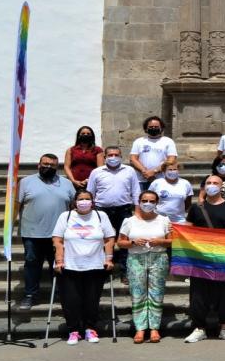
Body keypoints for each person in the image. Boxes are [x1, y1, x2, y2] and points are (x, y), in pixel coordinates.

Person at [183, 175, 225, 343]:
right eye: (208, 183)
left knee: (224, 294)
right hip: (200, 259)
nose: (212, 185)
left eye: (215, 183)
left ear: (221, 186)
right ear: (204, 188)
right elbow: (187, 230)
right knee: (197, 294)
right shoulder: (196, 208)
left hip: (223, 259)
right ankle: (199, 328)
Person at [52, 190, 115, 345]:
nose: (84, 202)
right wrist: (59, 260)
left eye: (87, 199)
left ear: (93, 202)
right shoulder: (65, 216)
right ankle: (73, 330)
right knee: (70, 300)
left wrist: (109, 259)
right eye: (81, 199)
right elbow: (57, 240)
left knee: (92, 300)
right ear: (75, 201)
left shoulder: (101, 216)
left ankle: (90, 328)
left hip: (95, 265)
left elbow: (109, 239)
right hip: (70, 265)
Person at [17, 153, 76, 310]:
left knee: (58, 264)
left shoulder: (67, 183)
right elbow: (16, 206)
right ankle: (30, 295)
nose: (48, 167)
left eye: (52, 165)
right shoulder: (25, 182)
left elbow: (73, 207)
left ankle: (59, 294)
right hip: (31, 232)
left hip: (58, 234)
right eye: (45, 164)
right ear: (39, 164)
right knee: (31, 264)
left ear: (57, 167)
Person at [117, 190, 172, 344]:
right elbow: (120, 242)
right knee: (137, 292)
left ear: (157, 203)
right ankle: (140, 328)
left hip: (158, 257)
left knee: (156, 292)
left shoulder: (164, 220)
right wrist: (133, 242)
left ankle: (154, 328)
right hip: (136, 258)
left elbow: (172, 240)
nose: (148, 204)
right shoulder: (129, 221)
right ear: (139, 202)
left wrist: (160, 241)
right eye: (145, 200)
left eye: (152, 201)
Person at [87, 146, 141, 284]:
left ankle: (125, 272)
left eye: (116, 154)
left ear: (121, 156)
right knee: (101, 241)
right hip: (101, 210)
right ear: (104, 157)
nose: (113, 157)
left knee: (124, 241)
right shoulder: (96, 172)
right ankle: (103, 271)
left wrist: (138, 211)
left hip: (124, 210)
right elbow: (90, 193)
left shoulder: (129, 171)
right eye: (110, 155)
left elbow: (136, 191)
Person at [130, 116, 178, 191]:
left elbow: (171, 160)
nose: (153, 128)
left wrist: (154, 171)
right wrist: (144, 172)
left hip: (161, 179)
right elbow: (133, 159)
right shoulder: (139, 141)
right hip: (141, 180)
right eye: (151, 127)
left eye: (156, 127)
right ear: (146, 128)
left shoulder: (168, 141)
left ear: (161, 128)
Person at [63, 126, 104, 190]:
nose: (85, 135)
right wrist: (73, 181)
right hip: (73, 183)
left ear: (92, 136)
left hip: (91, 183)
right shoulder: (71, 150)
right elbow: (66, 167)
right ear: (79, 136)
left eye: (88, 134)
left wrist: (88, 180)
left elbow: (100, 168)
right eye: (83, 133)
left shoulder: (98, 150)